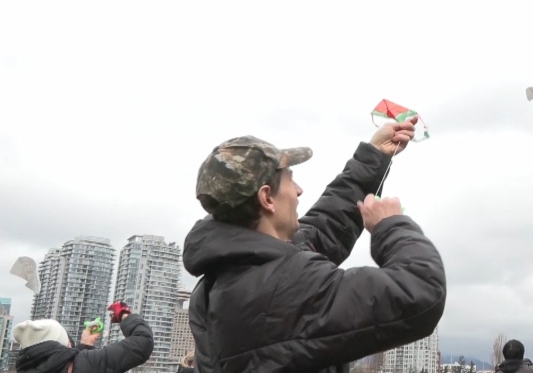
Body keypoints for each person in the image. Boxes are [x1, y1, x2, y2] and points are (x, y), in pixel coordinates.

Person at [183, 118, 447, 373]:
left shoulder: (230, 277)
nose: (299, 190)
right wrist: (391, 226)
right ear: (267, 198)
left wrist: (375, 154)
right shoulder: (283, 289)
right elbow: (420, 291)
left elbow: (325, 227)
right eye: (290, 178)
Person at [13, 301, 154, 373]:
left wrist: (85, 344)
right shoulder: (86, 364)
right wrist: (125, 315)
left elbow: (68, 364)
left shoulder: (25, 368)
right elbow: (142, 343)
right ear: (61, 345)